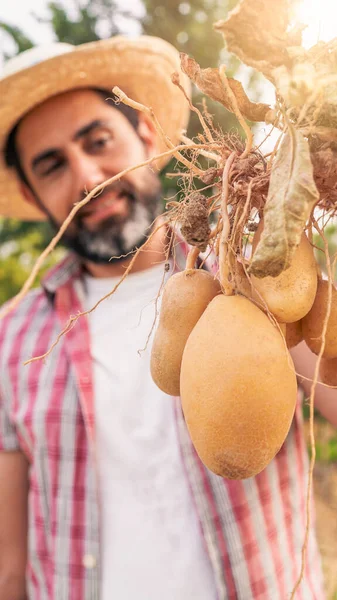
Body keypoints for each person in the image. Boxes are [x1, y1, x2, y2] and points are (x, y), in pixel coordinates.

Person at [0, 36, 336, 600]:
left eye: (98, 141)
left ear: (147, 136)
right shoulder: (10, 339)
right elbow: (8, 563)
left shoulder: (264, 283)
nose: (87, 177)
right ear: (35, 198)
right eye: (52, 165)